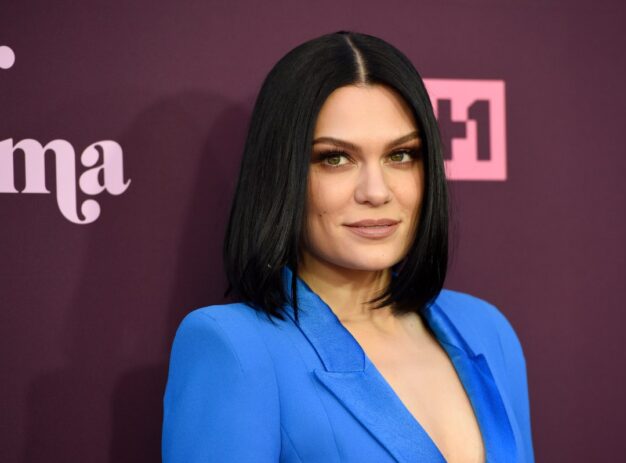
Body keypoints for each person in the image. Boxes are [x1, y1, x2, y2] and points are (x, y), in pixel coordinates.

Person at [161, 30, 534, 463]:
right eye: (335, 158)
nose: (376, 191)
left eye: (400, 155)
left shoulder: (487, 329)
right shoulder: (234, 347)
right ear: (282, 174)